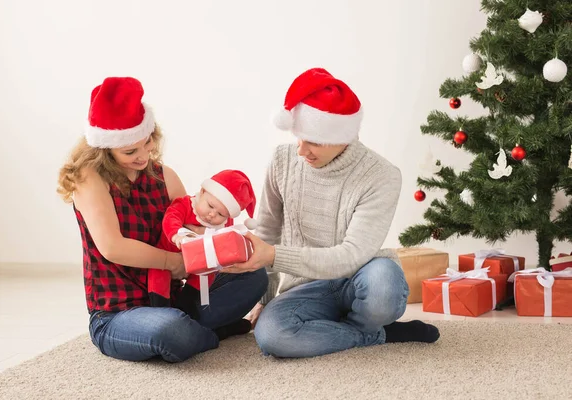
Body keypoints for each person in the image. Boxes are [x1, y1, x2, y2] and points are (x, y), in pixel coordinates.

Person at [223, 68, 440, 358]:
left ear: (344, 136)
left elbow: (351, 255)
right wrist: (262, 297)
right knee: (273, 336)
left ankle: (354, 327)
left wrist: (274, 255)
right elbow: (266, 232)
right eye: (298, 138)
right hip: (306, 287)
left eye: (313, 141)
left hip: (362, 274)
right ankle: (377, 335)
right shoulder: (282, 160)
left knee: (383, 289)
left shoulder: (382, 175)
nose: (302, 151)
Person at [56, 76, 268, 362]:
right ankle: (213, 332)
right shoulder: (89, 180)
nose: (143, 156)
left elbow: (193, 227)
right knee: (167, 330)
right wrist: (173, 263)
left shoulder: (163, 176)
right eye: (130, 151)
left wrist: (221, 234)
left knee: (254, 277)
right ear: (103, 149)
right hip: (117, 314)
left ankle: (194, 329)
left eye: (147, 143)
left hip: (175, 301)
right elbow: (113, 247)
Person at [150, 169, 258, 322]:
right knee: (158, 275)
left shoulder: (224, 222)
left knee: (207, 274)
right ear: (202, 191)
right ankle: (160, 310)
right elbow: (171, 218)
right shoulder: (186, 204)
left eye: (221, 214)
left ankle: (189, 303)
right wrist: (177, 234)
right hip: (168, 254)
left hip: (200, 259)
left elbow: (226, 237)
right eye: (210, 206)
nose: (213, 215)